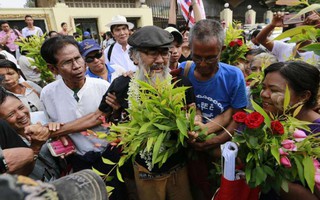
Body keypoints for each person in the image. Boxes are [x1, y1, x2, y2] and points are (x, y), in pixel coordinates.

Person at [179, 19, 247, 199]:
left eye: (210, 58)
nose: (202, 63)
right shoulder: (181, 72)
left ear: (222, 51)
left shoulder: (233, 76)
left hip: (220, 150)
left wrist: (215, 141)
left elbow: (238, 115)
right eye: (197, 57)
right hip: (188, 151)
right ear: (189, 50)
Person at [40, 36, 110, 172]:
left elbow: (103, 118)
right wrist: (57, 134)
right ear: (53, 69)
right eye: (67, 62)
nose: (77, 66)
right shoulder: (48, 94)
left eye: (78, 58)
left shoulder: (102, 87)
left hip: (108, 155)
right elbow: (54, 127)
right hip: (77, 160)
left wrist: (53, 131)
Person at [260, 61, 320, 200]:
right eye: (263, 87)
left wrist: (267, 176)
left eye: (274, 90)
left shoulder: (317, 132)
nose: (264, 94)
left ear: (304, 96)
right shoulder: (273, 118)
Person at [0, 87, 61, 181]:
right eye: (11, 114)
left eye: (21, 107)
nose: (21, 115)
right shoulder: (7, 148)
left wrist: (59, 136)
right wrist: (36, 146)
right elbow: (19, 177)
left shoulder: (42, 118)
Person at [255, 12, 319, 65]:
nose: (302, 30)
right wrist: (272, 25)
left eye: (306, 26)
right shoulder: (284, 48)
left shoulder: (317, 51)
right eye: (297, 28)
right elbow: (260, 39)